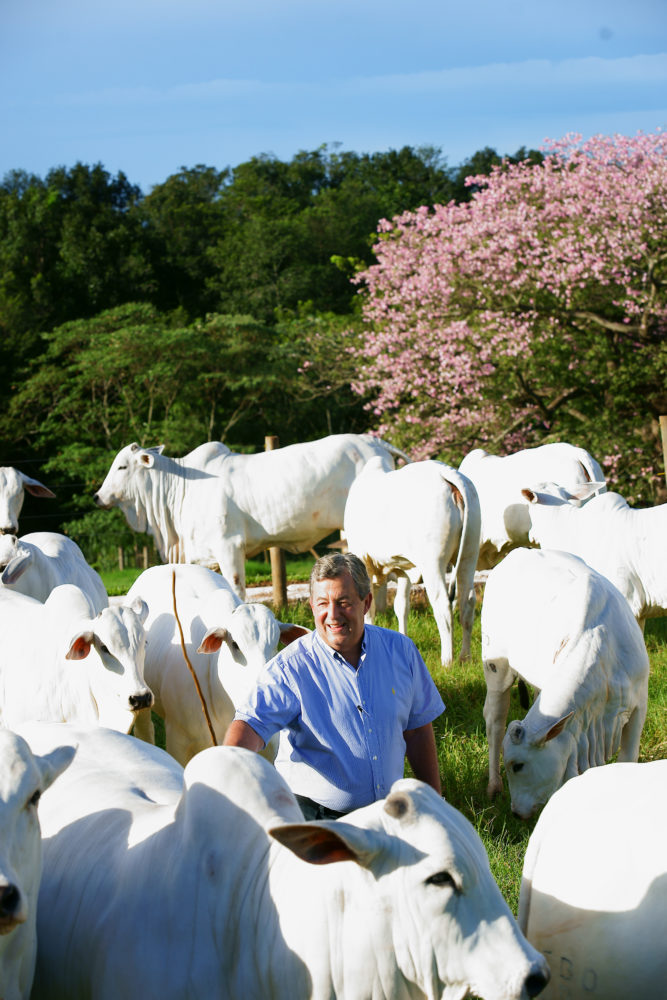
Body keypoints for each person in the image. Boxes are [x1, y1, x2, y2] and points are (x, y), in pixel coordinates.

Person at [223, 552, 445, 820]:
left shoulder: (400, 652)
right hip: (314, 819)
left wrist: (435, 805)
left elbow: (418, 730)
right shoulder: (290, 668)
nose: (332, 615)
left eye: (343, 602)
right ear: (312, 607)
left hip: (387, 818)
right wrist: (229, 786)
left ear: (366, 603)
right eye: (322, 603)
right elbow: (248, 726)